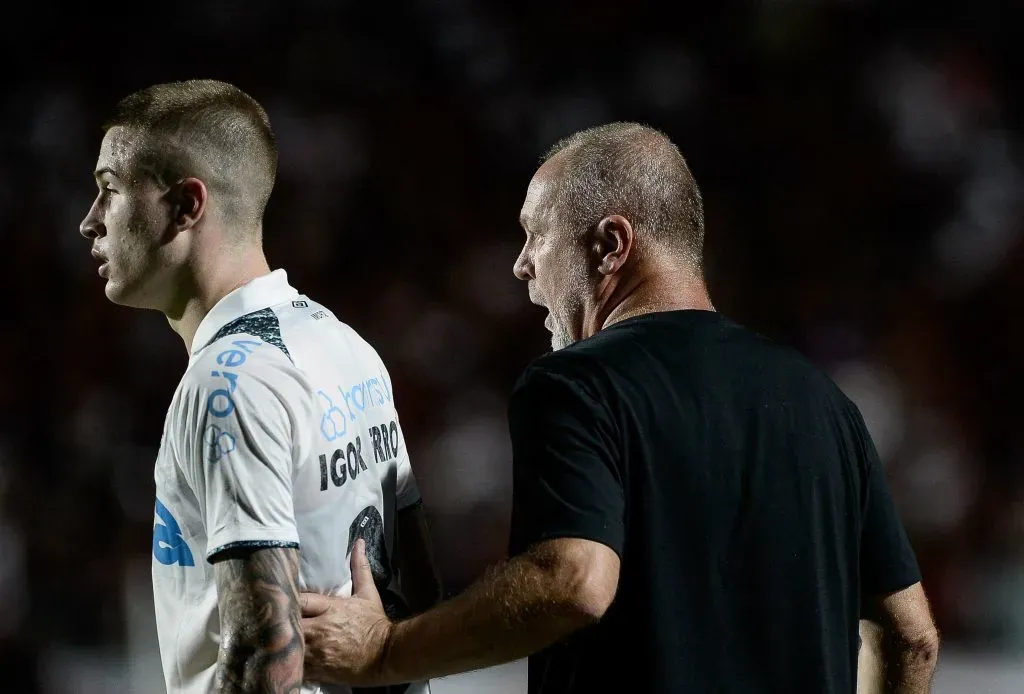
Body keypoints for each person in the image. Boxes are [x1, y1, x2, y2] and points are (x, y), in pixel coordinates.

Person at [298, 122, 940, 694]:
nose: (521, 266)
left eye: (534, 236)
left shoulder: (577, 384)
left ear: (610, 244)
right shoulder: (826, 404)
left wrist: (384, 650)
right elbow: (911, 637)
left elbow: (573, 581)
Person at [79, 79, 441, 694]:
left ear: (186, 206)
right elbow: (422, 593)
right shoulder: (347, 346)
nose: (90, 222)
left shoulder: (226, 383)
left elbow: (262, 656)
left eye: (109, 190)